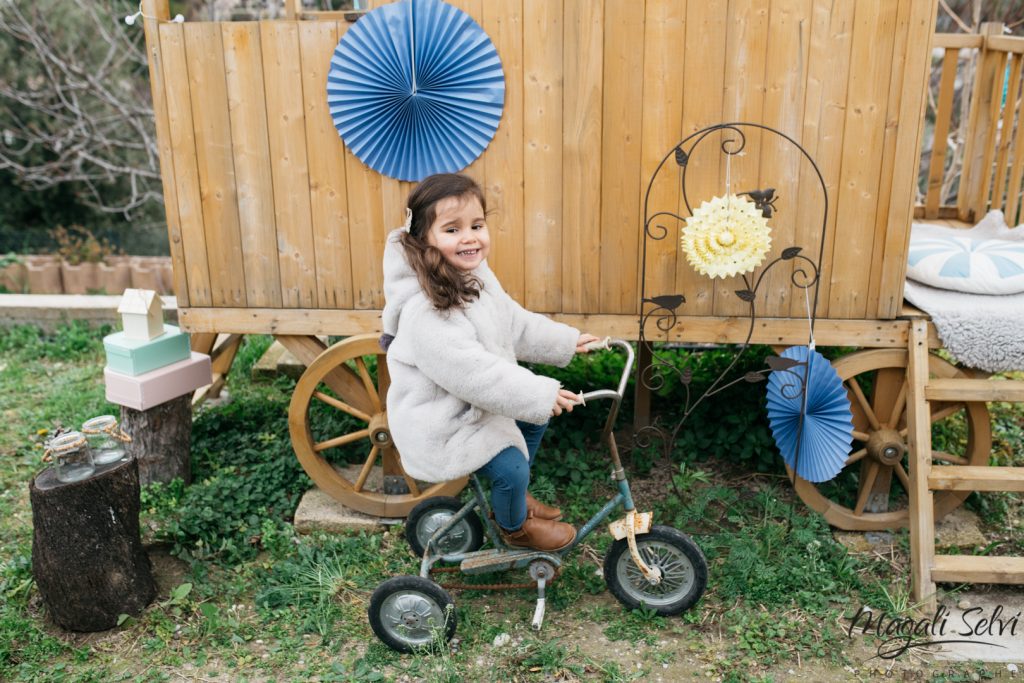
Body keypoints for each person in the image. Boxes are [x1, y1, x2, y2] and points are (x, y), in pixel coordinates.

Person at [381, 173, 599, 552]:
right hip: (444, 422)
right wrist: (537, 390)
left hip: (473, 404)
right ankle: (513, 528)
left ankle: (511, 499)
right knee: (511, 466)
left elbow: (512, 322)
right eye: (452, 229)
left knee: (535, 418)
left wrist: (566, 340)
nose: (469, 237)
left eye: (477, 225)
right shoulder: (426, 311)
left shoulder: (473, 275)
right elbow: (472, 373)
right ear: (423, 239)